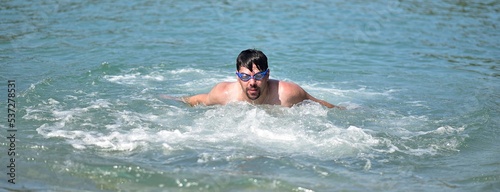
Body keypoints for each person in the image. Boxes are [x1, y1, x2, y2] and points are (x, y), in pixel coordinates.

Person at [166, 49, 342, 109]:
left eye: (258, 76)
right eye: (245, 76)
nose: (252, 82)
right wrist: (173, 100)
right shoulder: (223, 93)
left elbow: (320, 105)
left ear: (268, 75)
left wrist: (347, 110)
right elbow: (197, 100)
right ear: (237, 77)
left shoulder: (288, 93)